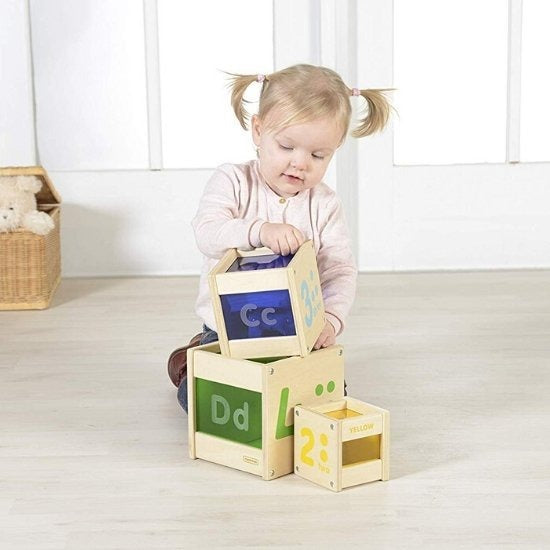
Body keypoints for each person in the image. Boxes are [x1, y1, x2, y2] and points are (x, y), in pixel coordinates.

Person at [168, 64, 392, 412]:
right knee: (201, 402)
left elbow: (339, 270)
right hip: (228, 330)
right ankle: (191, 361)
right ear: (258, 131)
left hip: (296, 332)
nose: (300, 164)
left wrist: (330, 320)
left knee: (330, 396)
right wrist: (258, 230)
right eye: (286, 146)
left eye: (318, 155)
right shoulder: (233, 181)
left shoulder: (324, 203)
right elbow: (207, 232)